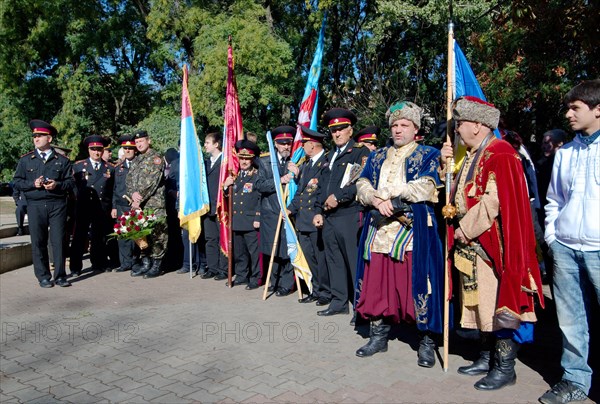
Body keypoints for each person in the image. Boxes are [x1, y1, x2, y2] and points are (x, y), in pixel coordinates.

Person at [440, 96, 544, 391]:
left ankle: (505, 367)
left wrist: (465, 228)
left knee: (498, 304)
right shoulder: (473, 153)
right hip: (471, 244)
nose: (457, 129)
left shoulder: (500, 152)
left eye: (460, 123)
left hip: (490, 245)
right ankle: (485, 358)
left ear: (477, 124)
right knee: (479, 305)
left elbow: (493, 201)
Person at [354, 101, 445, 368]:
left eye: (404, 125)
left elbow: (428, 186)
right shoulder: (377, 155)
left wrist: (393, 198)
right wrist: (373, 197)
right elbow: (362, 182)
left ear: (415, 128)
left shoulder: (428, 153)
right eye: (394, 125)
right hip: (379, 229)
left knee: (417, 286)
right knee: (377, 285)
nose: (398, 129)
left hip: (411, 230)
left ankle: (426, 342)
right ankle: (378, 336)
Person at [539, 80, 600, 404]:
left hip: (598, 250)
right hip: (565, 249)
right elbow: (554, 200)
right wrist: (553, 236)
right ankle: (575, 380)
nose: (568, 114)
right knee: (572, 322)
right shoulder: (566, 154)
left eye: (575, 107)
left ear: (597, 109)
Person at [313, 108, 370, 317]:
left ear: (350, 129)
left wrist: (339, 197)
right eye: (333, 130)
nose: (336, 133)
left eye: (340, 129)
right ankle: (338, 302)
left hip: (349, 214)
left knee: (353, 263)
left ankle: (361, 308)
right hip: (329, 217)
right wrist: (318, 211)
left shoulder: (360, 152)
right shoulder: (329, 156)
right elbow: (321, 187)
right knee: (334, 261)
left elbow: (361, 182)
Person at [12, 119, 75, 288]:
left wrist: (57, 184)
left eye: (40, 136)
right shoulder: (26, 160)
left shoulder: (62, 160)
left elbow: (71, 183)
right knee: (38, 241)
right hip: (35, 205)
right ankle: (43, 276)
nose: (36, 138)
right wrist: (33, 184)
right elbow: (16, 182)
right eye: (35, 136)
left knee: (59, 240)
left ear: (50, 139)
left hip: (57, 204)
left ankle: (60, 275)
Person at [287, 125, 331, 304]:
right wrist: (290, 209)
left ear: (313, 145)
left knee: (321, 259)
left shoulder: (326, 163)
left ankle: (325, 293)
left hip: (316, 220)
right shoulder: (306, 165)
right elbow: (301, 192)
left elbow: (322, 192)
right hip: (303, 221)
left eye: (304, 143)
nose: (301, 147)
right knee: (310, 258)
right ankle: (315, 289)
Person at [255, 125, 296, 296]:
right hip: (270, 212)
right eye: (282, 143)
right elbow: (259, 185)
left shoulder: (295, 161)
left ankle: (286, 284)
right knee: (273, 248)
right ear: (276, 144)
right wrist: (280, 181)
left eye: (288, 143)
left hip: (289, 211)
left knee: (287, 249)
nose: (286, 146)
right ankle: (274, 280)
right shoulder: (265, 162)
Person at [70, 135, 115, 275]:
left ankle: (98, 263)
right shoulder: (78, 166)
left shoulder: (110, 168)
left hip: (101, 207)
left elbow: (113, 190)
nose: (96, 152)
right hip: (84, 206)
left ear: (103, 150)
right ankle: (75, 267)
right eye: (93, 149)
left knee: (99, 237)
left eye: (99, 149)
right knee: (79, 237)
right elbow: (72, 187)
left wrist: (112, 207)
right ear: (88, 150)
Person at [127, 129, 167, 279]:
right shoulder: (136, 160)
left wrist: (139, 198)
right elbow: (129, 180)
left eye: (141, 141)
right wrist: (132, 194)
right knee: (142, 234)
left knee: (158, 234)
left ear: (148, 141)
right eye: (136, 142)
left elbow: (152, 181)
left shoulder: (156, 158)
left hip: (153, 204)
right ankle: (146, 263)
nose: (138, 144)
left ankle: (157, 264)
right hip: (138, 205)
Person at [223, 140, 261, 289]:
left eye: (247, 158)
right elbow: (229, 198)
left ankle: (256, 277)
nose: (244, 161)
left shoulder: (257, 175)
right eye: (242, 158)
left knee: (253, 252)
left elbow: (259, 198)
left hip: (250, 220)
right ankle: (241, 275)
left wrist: (258, 217)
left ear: (252, 159)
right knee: (239, 252)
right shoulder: (235, 176)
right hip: (237, 220)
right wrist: (226, 187)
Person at [199, 132, 228, 280]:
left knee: (222, 237)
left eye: (207, 142)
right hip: (208, 206)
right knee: (210, 238)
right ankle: (212, 267)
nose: (205, 145)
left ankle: (224, 269)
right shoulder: (205, 162)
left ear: (216, 144)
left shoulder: (225, 161)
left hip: (221, 206)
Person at [111, 135, 137, 272]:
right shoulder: (118, 168)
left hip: (136, 205)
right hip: (121, 206)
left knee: (137, 234)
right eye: (125, 148)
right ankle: (125, 263)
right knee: (123, 235)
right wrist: (114, 206)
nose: (128, 150)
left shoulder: (139, 165)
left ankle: (136, 262)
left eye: (130, 148)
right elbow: (114, 189)